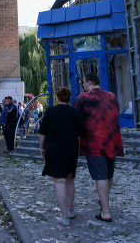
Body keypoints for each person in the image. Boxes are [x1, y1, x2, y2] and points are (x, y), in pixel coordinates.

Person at [74, 72, 124, 223]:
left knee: (100, 176)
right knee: (108, 175)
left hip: (94, 141)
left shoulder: (83, 98)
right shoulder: (112, 96)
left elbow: (75, 118)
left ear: (89, 83)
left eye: (83, 82)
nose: (83, 85)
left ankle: (105, 211)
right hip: (112, 140)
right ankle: (104, 203)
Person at [39, 87, 87, 226]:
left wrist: (42, 148)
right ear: (69, 98)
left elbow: (43, 133)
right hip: (70, 148)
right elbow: (82, 131)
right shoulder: (75, 112)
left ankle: (64, 216)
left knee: (59, 182)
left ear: (57, 98)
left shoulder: (50, 111)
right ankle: (71, 210)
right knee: (70, 179)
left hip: (53, 148)